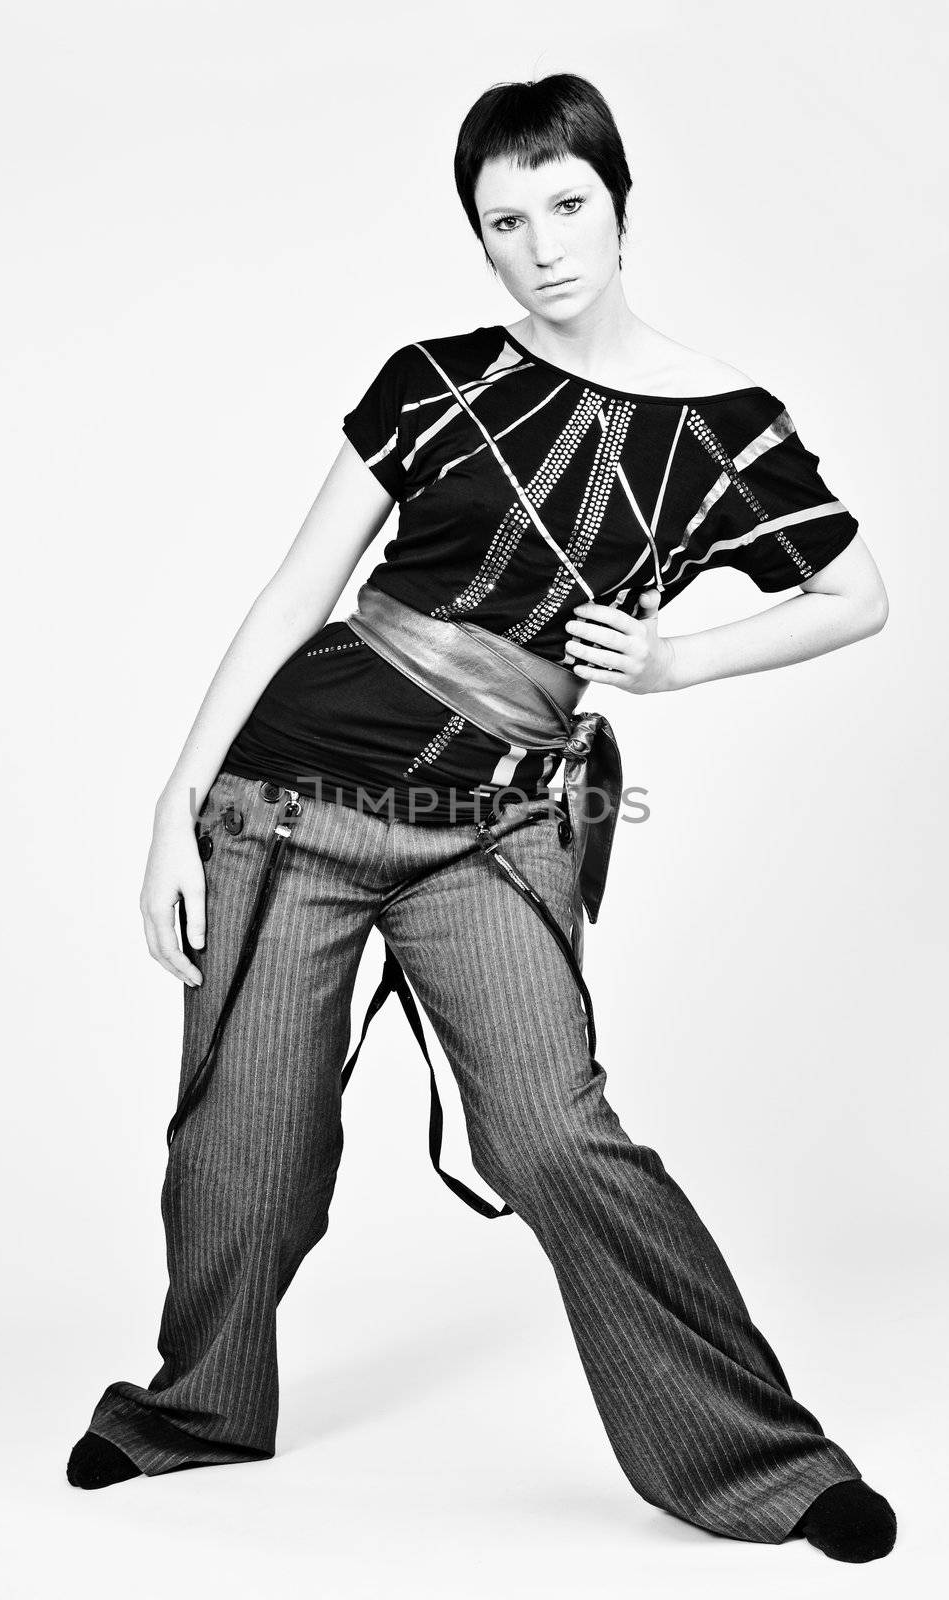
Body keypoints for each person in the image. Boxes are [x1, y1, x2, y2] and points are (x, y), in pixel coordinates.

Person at [66, 73, 896, 1563]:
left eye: (566, 206)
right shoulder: (433, 379)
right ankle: (190, 1408)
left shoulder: (728, 425)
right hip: (289, 801)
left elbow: (860, 596)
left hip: (493, 827)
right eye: (503, 221)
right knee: (241, 1140)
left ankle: (762, 1464)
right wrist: (168, 810)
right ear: (480, 237)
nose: (540, 248)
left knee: (556, 1135)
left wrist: (676, 658)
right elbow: (293, 591)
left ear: (622, 206)